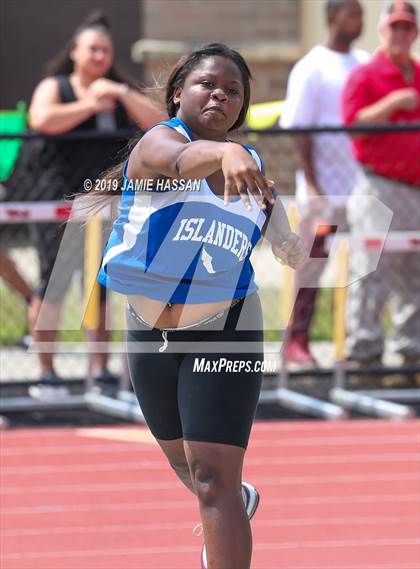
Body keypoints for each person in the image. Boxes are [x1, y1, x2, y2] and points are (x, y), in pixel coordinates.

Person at [96, 43, 305, 569]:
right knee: (187, 464)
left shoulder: (250, 161)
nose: (220, 95)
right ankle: (237, 498)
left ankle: (228, 508)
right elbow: (182, 161)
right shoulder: (157, 145)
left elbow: (267, 200)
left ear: (242, 107)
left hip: (227, 320)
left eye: (233, 91)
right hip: (148, 323)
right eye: (208, 84)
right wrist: (224, 153)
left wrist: (284, 239)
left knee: (213, 478)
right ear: (177, 93)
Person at [26, 11, 162, 395]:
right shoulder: (57, 86)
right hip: (57, 202)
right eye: (92, 49)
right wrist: (88, 105)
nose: (100, 56)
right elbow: (42, 119)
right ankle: (46, 371)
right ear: (75, 52)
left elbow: (159, 125)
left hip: (104, 205)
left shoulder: (117, 90)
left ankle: (100, 369)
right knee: (53, 284)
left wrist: (119, 94)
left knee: (101, 287)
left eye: (106, 50)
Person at [280, 0, 368, 366]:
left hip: (363, 189)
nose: (360, 21)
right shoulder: (311, 67)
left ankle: (356, 345)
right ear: (333, 17)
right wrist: (313, 186)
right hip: (324, 190)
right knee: (313, 266)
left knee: (366, 267)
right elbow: (300, 129)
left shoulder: (364, 63)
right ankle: (296, 340)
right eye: (353, 13)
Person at [341, 0, 420, 367]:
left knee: (413, 272)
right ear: (382, 30)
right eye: (395, 27)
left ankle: (410, 351)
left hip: (415, 188)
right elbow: (353, 124)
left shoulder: (417, 72)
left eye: (408, 27)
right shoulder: (366, 75)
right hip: (379, 184)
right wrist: (391, 102)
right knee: (372, 267)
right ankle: (365, 353)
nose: (401, 34)